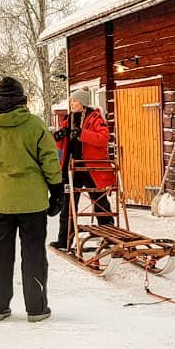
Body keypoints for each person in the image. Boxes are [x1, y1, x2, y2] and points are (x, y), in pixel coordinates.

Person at [0, 77, 63, 323]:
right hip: (32, 202)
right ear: (22, 99)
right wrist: (57, 191)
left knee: (0, 253)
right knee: (33, 253)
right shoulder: (35, 125)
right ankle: (36, 308)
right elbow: (49, 160)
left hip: (0, 201)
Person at [50, 90, 116, 251]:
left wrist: (82, 134)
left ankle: (110, 238)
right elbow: (62, 147)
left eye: (75, 101)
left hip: (92, 167)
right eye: (71, 101)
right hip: (72, 168)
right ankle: (64, 240)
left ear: (83, 103)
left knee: (100, 203)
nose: (72, 104)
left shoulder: (95, 118)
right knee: (68, 205)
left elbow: (103, 139)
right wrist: (58, 137)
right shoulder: (68, 120)